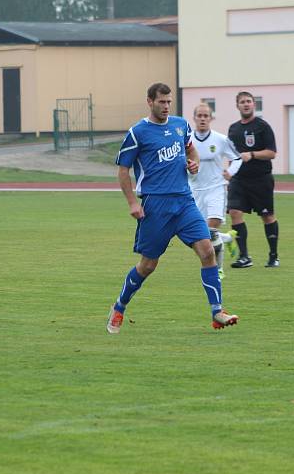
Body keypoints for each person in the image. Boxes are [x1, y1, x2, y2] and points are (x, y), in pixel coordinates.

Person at [106, 83, 238, 333]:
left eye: (169, 102)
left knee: (207, 251)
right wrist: (133, 202)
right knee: (148, 266)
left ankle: (216, 312)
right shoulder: (138, 132)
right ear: (150, 102)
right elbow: (123, 170)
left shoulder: (180, 125)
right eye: (161, 102)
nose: (166, 106)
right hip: (156, 206)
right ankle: (119, 307)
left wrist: (194, 164)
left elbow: (191, 150)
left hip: (184, 202)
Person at [227, 91, 279, 268]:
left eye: (249, 101)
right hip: (239, 180)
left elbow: (272, 152)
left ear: (254, 105)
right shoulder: (233, 129)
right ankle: (244, 257)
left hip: (261, 179)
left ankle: (273, 255)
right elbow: (232, 154)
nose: (246, 104)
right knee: (234, 212)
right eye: (242, 102)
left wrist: (253, 154)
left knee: (267, 216)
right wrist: (229, 171)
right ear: (237, 106)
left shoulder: (263, 126)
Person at [189, 103, 241, 278]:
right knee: (202, 234)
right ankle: (227, 238)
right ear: (194, 118)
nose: (203, 119)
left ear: (211, 118)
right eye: (200, 116)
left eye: (206, 116)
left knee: (210, 229)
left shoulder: (220, 139)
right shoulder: (187, 140)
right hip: (195, 191)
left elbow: (238, 158)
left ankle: (218, 269)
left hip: (216, 189)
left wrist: (230, 172)